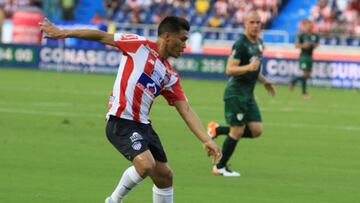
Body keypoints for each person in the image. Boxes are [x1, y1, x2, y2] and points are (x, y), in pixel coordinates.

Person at [39, 16, 221, 203]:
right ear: (167, 36)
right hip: (120, 121)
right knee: (146, 164)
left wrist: (206, 140)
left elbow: (186, 111)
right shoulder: (139, 46)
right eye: (182, 39)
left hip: (144, 126)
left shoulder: (170, 75)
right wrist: (63, 32)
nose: (185, 45)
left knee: (165, 176)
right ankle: (113, 200)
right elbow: (101, 36)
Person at [207, 11, 276, 177]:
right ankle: (220, 167)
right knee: (237, 131)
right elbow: (229, 70)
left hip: (249, 95)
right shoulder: (240, 44)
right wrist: (247, 68)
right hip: (236, 93)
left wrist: (265, 81)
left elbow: (255, 68)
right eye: (252, 22)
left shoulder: (259, 43)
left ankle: (216, 130)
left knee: (256, 130)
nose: (255, 25)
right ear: (245, 23)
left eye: (258, 22)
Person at [289, 19, 319, 99]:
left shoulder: (315, 35)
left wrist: (313, 45)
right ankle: (304, 93)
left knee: (307, 75)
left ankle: (294, 81)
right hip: (303, 56)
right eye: (308, 25)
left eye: (311, 25)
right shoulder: (302, 35)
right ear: (306, 26)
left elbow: (317, 45)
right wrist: (303, 46)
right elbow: (296, 45)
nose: (310, 27)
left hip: (310, 57)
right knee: (305, 74)